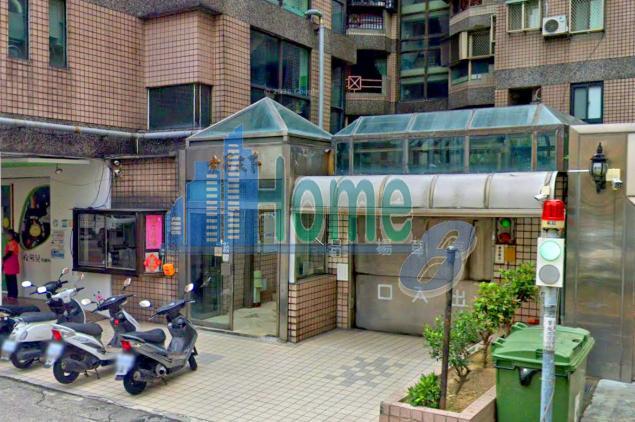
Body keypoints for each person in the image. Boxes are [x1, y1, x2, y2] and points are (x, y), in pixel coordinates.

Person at [3, 230, 21, 304]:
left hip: (12, 265)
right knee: (8, 281)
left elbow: (10, 253)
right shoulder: (9, 243)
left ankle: (13, 296)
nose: (6, 236)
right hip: (8, 265)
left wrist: (3, 258)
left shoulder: (13, 243)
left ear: (11, 235)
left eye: (7, 235)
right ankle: (9, 295)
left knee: (12, 281)